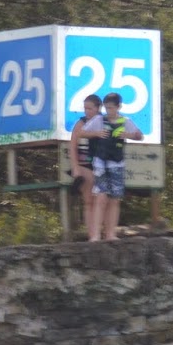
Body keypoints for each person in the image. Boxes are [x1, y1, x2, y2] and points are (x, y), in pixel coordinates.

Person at [88, 92, 143, 242]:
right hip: (101, 162)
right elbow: (82, 132)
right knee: (100, 198)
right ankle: (95, 235)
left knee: (115, 199)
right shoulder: (99, 119)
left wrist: (128, 135)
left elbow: (140, 135)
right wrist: (97, 133)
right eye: (106, 108)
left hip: (117, 163)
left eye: (111, 108)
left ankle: (111, 234)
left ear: (118, 107)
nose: (108, 111)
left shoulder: (126, 121)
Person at [68, 93, 103, 237]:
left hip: (101, 164)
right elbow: (73, 146)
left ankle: (98, 233)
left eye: (90, 108)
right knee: (89, 201)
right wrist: (75, 167)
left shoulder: (104, 122)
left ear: (98, 108)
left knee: (101, 201)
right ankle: (92, 235)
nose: (87, 111)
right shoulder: (81, 123)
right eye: (85, 109)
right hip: (84, 164)